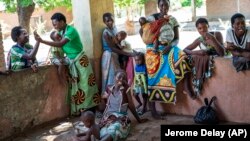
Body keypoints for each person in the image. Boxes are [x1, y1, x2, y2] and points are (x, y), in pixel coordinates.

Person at [34, 12, 99, 116]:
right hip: (71, 61)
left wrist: (42, 41)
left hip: (81, 61)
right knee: (77, 87)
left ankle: (91, 111)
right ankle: (82, 110)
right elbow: (57, 45)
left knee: (87, 85)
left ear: (62, 22)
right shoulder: (60, 33)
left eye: (55, 24)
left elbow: (60, 44)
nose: (54, 26)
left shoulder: (71, 31)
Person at [143, 0, 191, 118]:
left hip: (168, 47)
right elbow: (143, 33)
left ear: (169, 6)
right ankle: (153, 109)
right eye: (162, 5)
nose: (164, 7)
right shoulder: (151, 18)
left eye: (166, 5)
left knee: (183, 57)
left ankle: (186, 86)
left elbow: (177, 39)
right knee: (152, 75)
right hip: (153, 49)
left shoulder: (172, 19)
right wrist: (154, 43)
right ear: (158, 6)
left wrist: (170, 46)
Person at [99, 69, 147, 141]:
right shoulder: (109, 88)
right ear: (114, 77)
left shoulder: (126, 89)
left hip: (121, 117)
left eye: (124, 78)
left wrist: (139, 120)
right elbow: (105, 103)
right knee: (102, 129)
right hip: (109, 116)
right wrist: (103, 117)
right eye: (119, 77)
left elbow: (131, 106)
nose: (121, 79)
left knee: (114, 129)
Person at [101, 13, 134, 110]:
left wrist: (127, 51)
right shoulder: (105, 32)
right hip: (109, 57)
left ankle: (118, 104)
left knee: (118, 80)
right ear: (104, 22)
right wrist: (128, 54)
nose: (110, 22)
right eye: (107, 21)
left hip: (115, 56)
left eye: (111, 20)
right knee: (110, 80)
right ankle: (109, 106)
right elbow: (112, 48)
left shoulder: (114, 29)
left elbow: (119, 43)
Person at [183, 18, 224, 97]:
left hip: (218, 69)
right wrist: (196, 52)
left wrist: (213, 39)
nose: (203, 30)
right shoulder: (199, 40)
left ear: (208, 26)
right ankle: (187, 86)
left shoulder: (216, 34)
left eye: (205, 27)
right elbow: (185, 50)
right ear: (197, 30)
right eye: (200, 28)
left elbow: (221, 53)